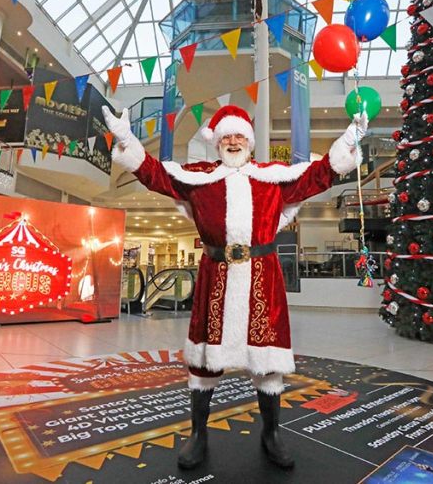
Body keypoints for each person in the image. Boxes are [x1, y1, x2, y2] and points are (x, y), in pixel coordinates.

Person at [103, 104, 366, 470]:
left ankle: (271, 432)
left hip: (263, 275)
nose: (232, 140)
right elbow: (155, 175)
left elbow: (318, 175)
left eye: (239, 134)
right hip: (216, 276)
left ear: (250, 141)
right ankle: (198, 433)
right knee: (203, 362)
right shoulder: (199, 177)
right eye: (226, 135)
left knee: (267, 362)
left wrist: (349, 139)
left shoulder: (272, 177)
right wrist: (127, 139)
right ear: (216, 142)